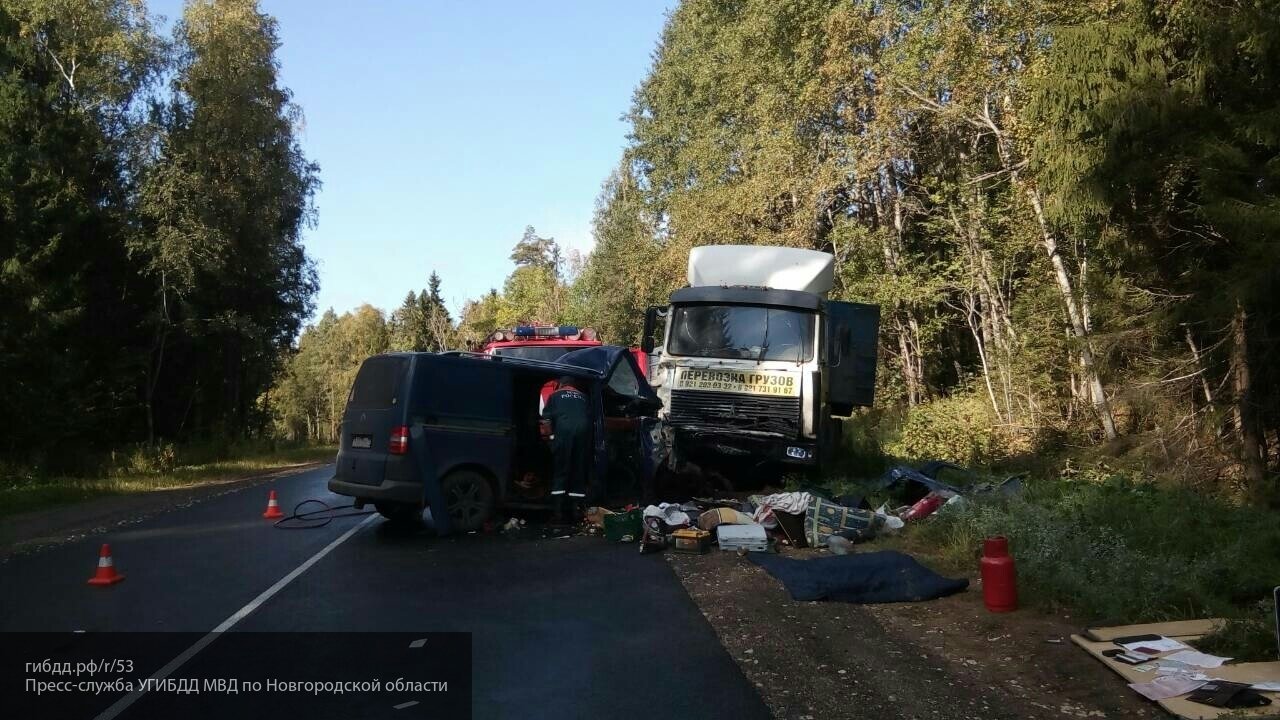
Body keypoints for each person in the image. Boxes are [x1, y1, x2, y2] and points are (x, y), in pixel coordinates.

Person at [542, 375, 591, 523]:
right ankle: (576, 510)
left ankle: (558, 511)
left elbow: (546, 420)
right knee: (578, 469)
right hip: (583, 434)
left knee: (561, 469)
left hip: (563, 434)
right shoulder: (583, 397)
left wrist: (550, 439)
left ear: (561, 385)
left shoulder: (555, 396)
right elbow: (589, 417)